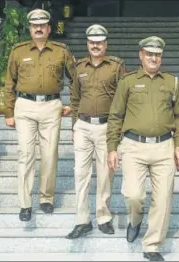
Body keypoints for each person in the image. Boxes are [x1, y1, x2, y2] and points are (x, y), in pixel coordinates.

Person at [106, 36, 179, 261]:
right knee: (133, 195)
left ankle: (151, 245)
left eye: (157, 54)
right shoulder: (128, 81)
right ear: (141, 55)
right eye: (149, 54)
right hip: (133, 146)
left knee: (162, 200)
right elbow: (115, 116)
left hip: (164, 147)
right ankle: (135, 219)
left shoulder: (172, 82)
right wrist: (112, 147)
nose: (154, 58)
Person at [4, 8, 76, 221]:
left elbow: (76, 79)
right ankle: (25, 204)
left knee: (49, 154)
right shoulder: (18, 51)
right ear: (30, 28)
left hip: (51, 106)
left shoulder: (61, 51)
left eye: (42, 25)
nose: (38, 28)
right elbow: (9, 83)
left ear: (49, 28)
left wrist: (72, 103)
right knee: (25, 154)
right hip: (24, 106)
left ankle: (46, 198)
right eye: (34, 25)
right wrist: (9, 111)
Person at [65, 24, 126, 239]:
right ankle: (82, 220)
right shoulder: (79, 66)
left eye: (99, 42)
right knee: (80, 174)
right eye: (92, 42)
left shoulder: (116, 66)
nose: (95, 46)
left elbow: (123, 99)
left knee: (105, 174)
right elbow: (74, 98)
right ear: (87, 44)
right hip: (82, 126)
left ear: (105, 44)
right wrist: (74, 124)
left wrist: (117, 131)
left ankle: (103, 216)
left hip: (106, 127)